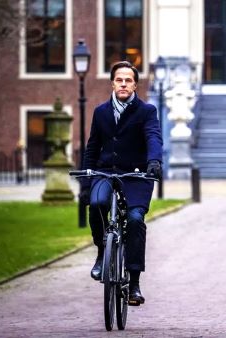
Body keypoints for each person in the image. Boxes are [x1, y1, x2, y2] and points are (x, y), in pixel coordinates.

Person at [79, 61, 163, 306]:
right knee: (96, 204)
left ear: (135, 84)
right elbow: (92, 147)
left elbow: (153, 137)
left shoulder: (146, 111)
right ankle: (101, 252)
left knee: (135, 220)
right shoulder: (101, 112)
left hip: (136, 176)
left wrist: (154, 162)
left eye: (128, 80)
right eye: (119, 79)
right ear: (113, 83)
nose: (123, 84)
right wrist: (86, 180)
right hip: (105, 172)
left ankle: (134, 283)